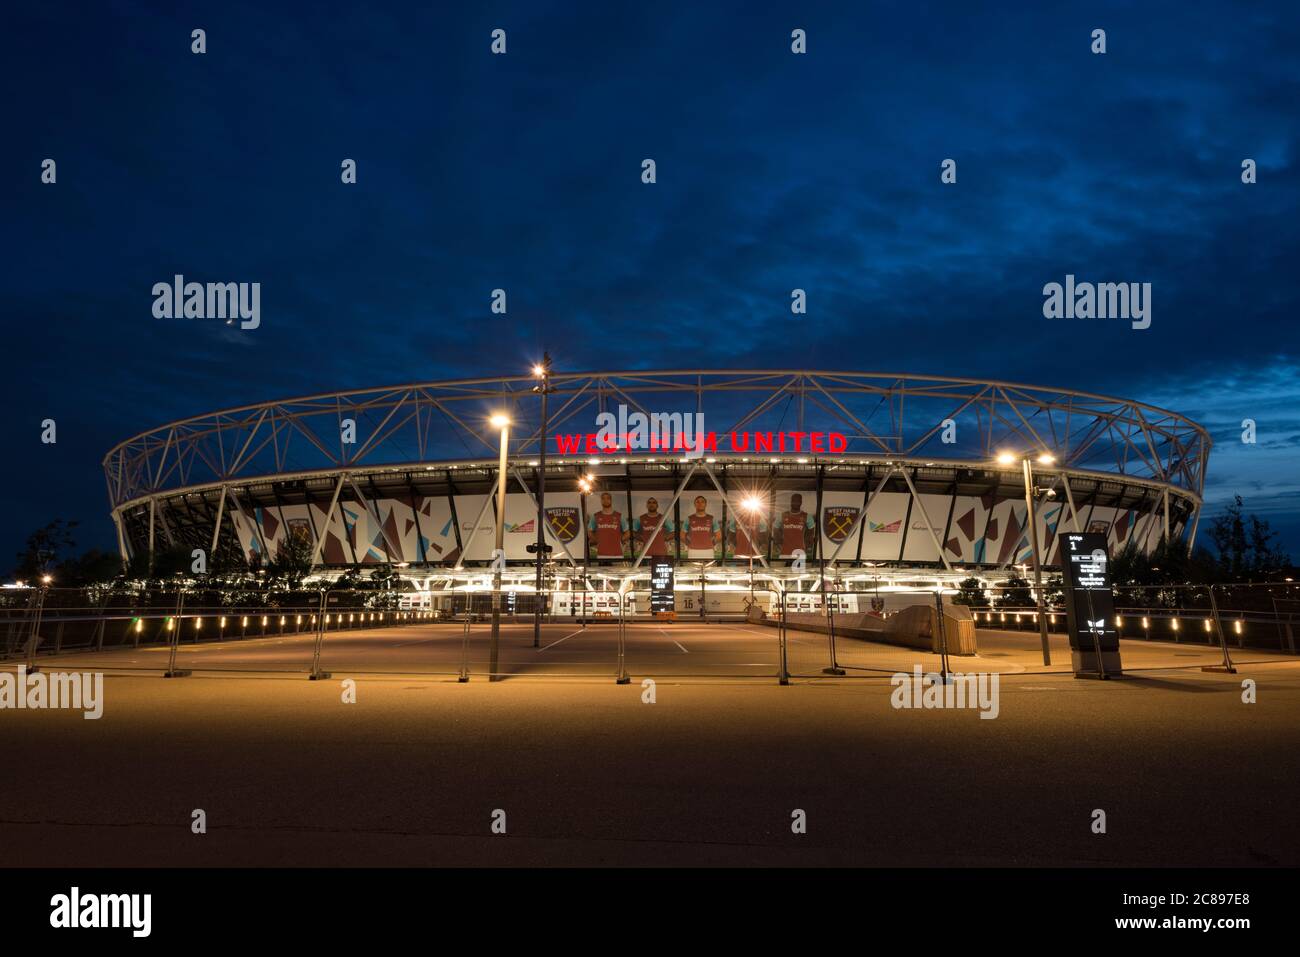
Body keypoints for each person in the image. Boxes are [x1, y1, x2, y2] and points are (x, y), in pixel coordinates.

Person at [587, 491, 628, 561]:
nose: (605, 500)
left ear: (611, 500)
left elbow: (628, 532)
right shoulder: (595, 516)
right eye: (603, 498)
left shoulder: (619, 516)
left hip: (617, 554)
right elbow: (589, 532)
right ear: (601, 501)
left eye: (608, 498)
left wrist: (620, 540)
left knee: (618, 572)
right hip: (601, 554)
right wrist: (597, 540)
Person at [682, 495, 720, 561]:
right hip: (693, 550)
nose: (700, 504)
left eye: (702, 502)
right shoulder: (689, 519)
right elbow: (682, 535)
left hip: (708, 551)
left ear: (706, 504)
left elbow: (719, 536)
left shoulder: (712, 518)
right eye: (697, 502)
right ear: (695, 504)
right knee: (694, 570)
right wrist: (689, 544)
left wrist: (711, 544)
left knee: (708, 570)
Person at [778, 493, 815, 560]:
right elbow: (775, 529)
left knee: (799, 570)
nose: (796, 503)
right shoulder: (782, 515)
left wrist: (808, 546)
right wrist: (778, 541)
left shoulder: (807, 516)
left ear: (801, 502)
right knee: (782, 570)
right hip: (784, 553)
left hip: (800, 553)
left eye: (798, 501)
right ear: (791, 502)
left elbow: (811, 534)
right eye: (794, 500)